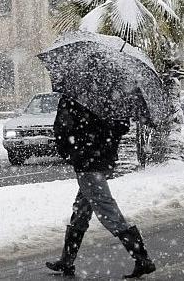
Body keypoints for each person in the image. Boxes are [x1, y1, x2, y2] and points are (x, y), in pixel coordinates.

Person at [46, 95, 157, 278]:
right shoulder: (112, 93)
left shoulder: (74, 95)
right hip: (103, 160)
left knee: (107, 210)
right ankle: (67, 261)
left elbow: (62, 129)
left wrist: (72, 151)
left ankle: (142, 258)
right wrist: (104, 137)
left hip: (87, 163)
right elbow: (122, 126)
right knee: (82, 209)